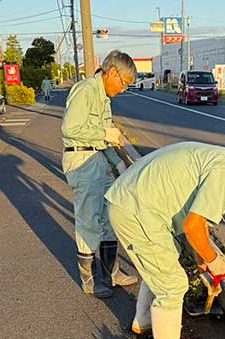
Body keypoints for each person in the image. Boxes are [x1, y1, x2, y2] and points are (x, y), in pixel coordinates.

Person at [105, 142, 225, 339]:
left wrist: (202, 257)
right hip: (138, 211)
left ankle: (144, 322)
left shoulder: (219, 157)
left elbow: (198, 222)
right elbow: (193, 225)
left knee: (161, 265)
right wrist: (214, 261)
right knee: (173, 283)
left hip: (132, 202)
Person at [61, 50, 138, 298]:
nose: (124, 89)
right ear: (112, 73)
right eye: (124, 83)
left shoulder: (104, 97)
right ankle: (89, 279)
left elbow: (107, 140)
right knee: (88, 219)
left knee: (108, 219)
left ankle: (111, 273)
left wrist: (118, 165)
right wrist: (105, 134)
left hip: (99, 159)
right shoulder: (85, 90)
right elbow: (71, 128)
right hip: (82, 159)